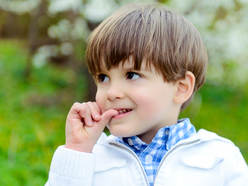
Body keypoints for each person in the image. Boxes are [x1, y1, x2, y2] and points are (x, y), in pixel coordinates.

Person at [45, 2, 248, 186]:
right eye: (103, 78)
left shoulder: (221, 158)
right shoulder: (89, 157)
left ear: (181, 88)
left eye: (132, 75)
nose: (112, 92)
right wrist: (76, 150)